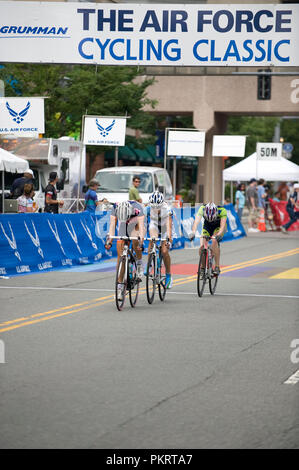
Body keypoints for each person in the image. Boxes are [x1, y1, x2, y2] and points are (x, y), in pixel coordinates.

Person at [105, 200, 145, 300]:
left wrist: (140, 241)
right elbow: (112, 225)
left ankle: (139, 263)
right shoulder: (115, 208)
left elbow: (141, 228)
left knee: (136, 240)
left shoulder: (137, 208)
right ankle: (120, 288)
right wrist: (109, 241)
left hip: (135, 223)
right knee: (120, 257)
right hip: (124, 224)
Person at [189, 202, 227, 277]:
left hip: (218, 227)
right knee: (202, 247)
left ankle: (217, 266)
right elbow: (196, 222)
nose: (210, 220)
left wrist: (219, 235)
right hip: (207, 227)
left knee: (214, 241)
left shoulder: (222, 210)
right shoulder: (202, 209)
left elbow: (222, 226)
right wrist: (193, 232)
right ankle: (202, 268)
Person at [146, 191, 173, 289]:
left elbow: (169, 226)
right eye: (154, 207)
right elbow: (142, 222)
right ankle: (149, 265)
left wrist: (168, 240)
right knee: (152, 240)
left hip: (166, 227)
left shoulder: (167, 209)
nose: (156, 209)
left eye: (158, 207)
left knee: (164, 251)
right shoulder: (148, 208)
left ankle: (169, 275)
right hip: (155, 224)